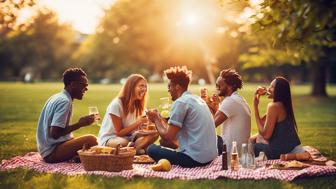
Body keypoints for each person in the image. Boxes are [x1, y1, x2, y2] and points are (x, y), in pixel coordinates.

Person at [146, 66, 218, 168]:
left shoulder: (181, 102)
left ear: (177, 87)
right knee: (163, 143)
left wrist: (156, 119)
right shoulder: (197, 99)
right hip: (210, 157)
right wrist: (158, 117)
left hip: (195, 159)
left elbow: (168, 137)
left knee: (151, 149)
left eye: (169, 86)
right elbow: (171, 133)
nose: (168, 90)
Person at [36, 68, 98, 163]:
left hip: (47, 149)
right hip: (51, 152)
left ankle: (77, 157)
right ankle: (77, 156)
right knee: (92, 140)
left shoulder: (57, 96)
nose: (86, 89)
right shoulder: (64, 101)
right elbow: (55, 134)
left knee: (87, 143)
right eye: (83, 85)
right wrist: (80, 124)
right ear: (72, 84)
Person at [98, 74, 158, 154]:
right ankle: (139, 149)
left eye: (145, 86)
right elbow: (119, 132)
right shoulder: (116, 104)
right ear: (131, 87)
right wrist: (138, 122)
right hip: (112, 138)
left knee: (156, 133)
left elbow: (141, 129)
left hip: (131, 138)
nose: (144, 89)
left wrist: (151, 121)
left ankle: (134, 149)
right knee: (123, 143)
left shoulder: (138, 105)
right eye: (141, 86)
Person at [251, 77, 301, 159]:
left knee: (252, 145)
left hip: (278, 152)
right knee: (253, 138)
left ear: (279, 91)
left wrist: (255, 107)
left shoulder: (273, 106)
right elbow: (263, 124)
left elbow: (265, 135)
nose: (269, 89)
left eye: (272, 87)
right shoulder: (283, 104)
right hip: (289, 147)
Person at [203, 69, 251, 154]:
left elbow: (210, 126)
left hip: (232, 151)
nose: (217, 88)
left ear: (230, 86)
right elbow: (218, 117)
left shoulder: (230, 101)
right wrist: (216, 106)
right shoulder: (239, 99)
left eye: (219, 86)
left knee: (201, 137)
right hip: (240, 150)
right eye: (216, 86)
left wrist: (205, 107)